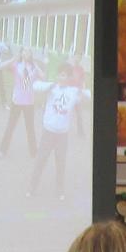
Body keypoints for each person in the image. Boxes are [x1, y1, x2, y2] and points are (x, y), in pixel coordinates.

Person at [29, 60, 85, 199]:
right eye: (60, 75)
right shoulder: (51, 88)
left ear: (69, 78)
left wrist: (82, 90)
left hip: (62, 135)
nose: (61, 77)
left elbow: (85, 96)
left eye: (64, 75)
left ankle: (59, 190)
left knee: (60, 163)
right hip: (48, 132)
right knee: (41, 160)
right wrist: (49, 85)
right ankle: (32, 187)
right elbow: (35, 86)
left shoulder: (73, 92)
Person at [0, 47, 41, 159]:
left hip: (29, 102)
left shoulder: (33, 68)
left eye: (29, 51)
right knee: (10, 126)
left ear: (31, 54)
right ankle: (2, 150)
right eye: (24, 51)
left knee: (30, 128)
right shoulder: (16, 66)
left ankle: (34, 152)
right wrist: (13, 59)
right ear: (21, 53)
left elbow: (43, 76)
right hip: (17, 100)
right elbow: (1, 66)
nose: (26, 53)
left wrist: (36, 65)